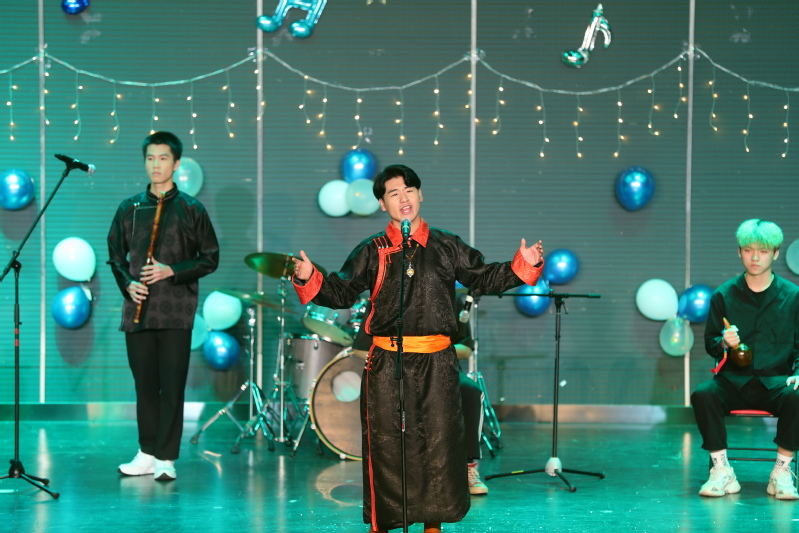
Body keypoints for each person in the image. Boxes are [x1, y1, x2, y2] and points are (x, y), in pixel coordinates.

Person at [292, 164, 543, 532]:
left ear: (421, 195)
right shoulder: (372, 250)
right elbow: (341, 291)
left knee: (438, 445)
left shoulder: (446, 244)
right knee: (386, 446)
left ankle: (433, 525)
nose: (403, 197)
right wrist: (308, 277)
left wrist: (523, 266)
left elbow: (482, 276)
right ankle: (383, 523)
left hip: (436, 361)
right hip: (387, 362)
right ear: (382, 204)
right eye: (393, 193)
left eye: (409, 190)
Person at [107, 131, 219, 481]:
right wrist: (127, 284)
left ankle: (166, 457)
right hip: (137, 311)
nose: (156, 164)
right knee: (145, 386)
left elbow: (210, 258)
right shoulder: (129, 208)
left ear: (176, 163)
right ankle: (146, 452)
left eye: (163, 158)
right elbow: (115, 256)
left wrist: (172, 270)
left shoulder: (191, 209)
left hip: (176, 311)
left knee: (171, 386)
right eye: (150, 158)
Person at [691, 219, 799, 500]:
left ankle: (781, 472)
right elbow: (710, 344)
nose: (755, 257)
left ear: (775, 253)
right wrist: (723, 343)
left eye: (763, 251)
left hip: (776, 382)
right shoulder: (724, 294)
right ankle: (721, 469)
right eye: (748, 250)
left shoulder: (793, 296)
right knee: (703, 393)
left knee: (798, 394)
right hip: (733, 382)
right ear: (739, 252)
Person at [350, 301, 490, 497]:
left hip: (441, 366)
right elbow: (360, 348)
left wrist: (430, 349)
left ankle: (466, 466)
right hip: (396, 367)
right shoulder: (383, 297)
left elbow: (465, 348)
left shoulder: (450, 299)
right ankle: (395, 473)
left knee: (470, 391)